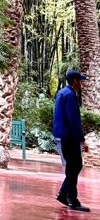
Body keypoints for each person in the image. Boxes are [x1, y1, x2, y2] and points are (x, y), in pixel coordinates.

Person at [53, 68, 91, 212]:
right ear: (74, 81)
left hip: (62, 134)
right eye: (80, 80)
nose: (81, 83)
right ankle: (71, 198)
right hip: (69, 136)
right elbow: (73, 120)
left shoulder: (62, 93)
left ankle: (65, 194)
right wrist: (82, 140)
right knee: (75, 165)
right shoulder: (70, 95)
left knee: (72, 166)